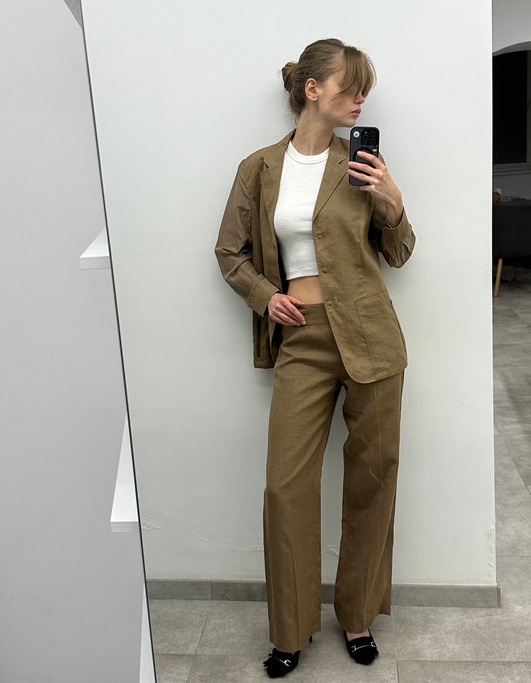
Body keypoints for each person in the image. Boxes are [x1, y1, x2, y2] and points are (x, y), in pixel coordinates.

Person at [215, 38, 415, 678]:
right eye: (351, 87)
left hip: (371, 337)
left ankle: (357, 616)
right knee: (286, 486)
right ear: (312, 89)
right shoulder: (259, 168)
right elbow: (229, 252)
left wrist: (392, 202)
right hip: (301, 338)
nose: (361, 99)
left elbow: (400, 252)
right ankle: (290, 628)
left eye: (365, 90)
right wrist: (265, 296)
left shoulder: (361, 162)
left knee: (373, 478)